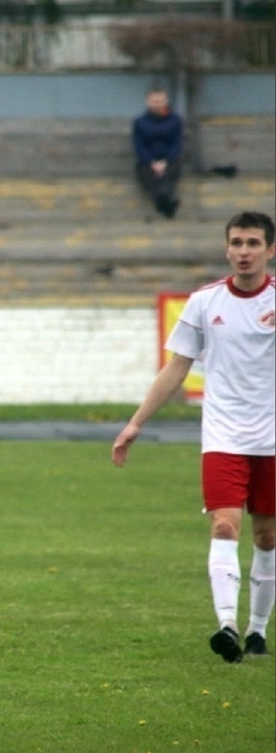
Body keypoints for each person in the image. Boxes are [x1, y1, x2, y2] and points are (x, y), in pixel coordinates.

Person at [112, 211, 275, 663]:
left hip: (272, 440)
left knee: (266, 537)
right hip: (222, 436)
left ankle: (258, 630)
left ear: (270, 250)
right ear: (227, 248)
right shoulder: (204, 302)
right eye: (237, 242)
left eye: (253, 243)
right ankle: (226, 625)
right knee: (225, 524)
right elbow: (176, 366)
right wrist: (135, 423)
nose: (244, 251)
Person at [132, 87, 183, 219]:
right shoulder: (140, 122)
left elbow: (176, 143)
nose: (157, 103)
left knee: (170, 172)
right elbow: (139, 146)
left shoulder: (175, 121)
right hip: (147, 162)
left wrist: (165, 161)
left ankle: (162, 202)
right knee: (147, 173)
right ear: (148, 102)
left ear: (166, 101)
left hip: (169, 160)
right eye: (154, 101)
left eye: (160, 100)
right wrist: (152, 162)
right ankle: (166, 203)